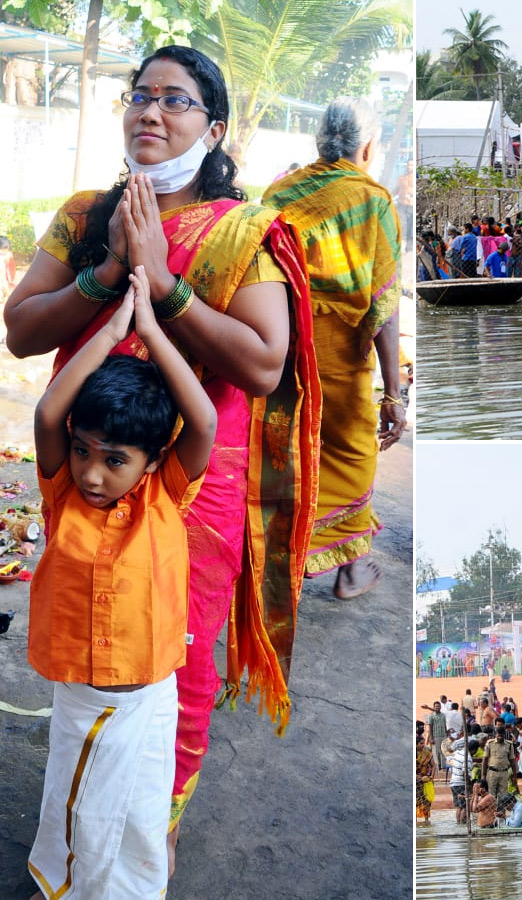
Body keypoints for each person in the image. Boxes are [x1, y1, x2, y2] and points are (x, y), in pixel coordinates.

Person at [5, 45, 319, 867]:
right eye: (139, 95)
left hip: (188, 484)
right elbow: (21, 328)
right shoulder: (82, 215)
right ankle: (88, 800)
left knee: (173, 655)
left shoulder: (242, 231)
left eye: (175, 101)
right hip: (83, 466)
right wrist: (112, 269)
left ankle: (155, 823)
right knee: (86, 632)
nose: (150, 111)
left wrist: (164, 283)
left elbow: (261, 364)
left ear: (213, 128)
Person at [24, 263, 215, 898]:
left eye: (115, 460)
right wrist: (108, 336)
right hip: (86, 699)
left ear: (153, 460)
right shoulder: (61, 496)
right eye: (84, 451)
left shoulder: (168, 493)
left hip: (152, 696)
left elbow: (205, 422)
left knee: (137, 817)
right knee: (82, 814)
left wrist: (154, 331)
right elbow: (52, 412)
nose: (93, 474)